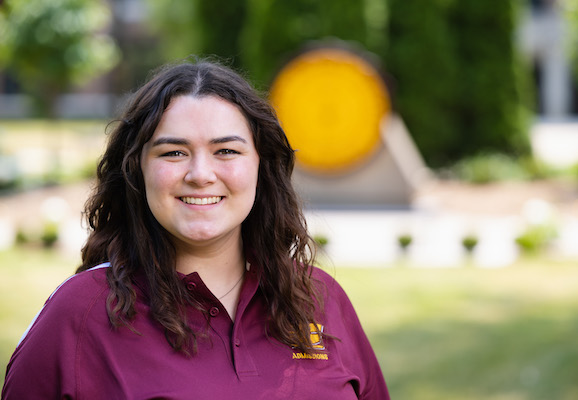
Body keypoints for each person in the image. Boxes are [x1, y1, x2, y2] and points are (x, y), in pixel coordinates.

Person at [2, 59, 389, 400]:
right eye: (173, 152)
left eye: (226, 151)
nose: (201, 175)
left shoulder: (321, 298)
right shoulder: (79, 315)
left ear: (261, 165)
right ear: (137, 169)